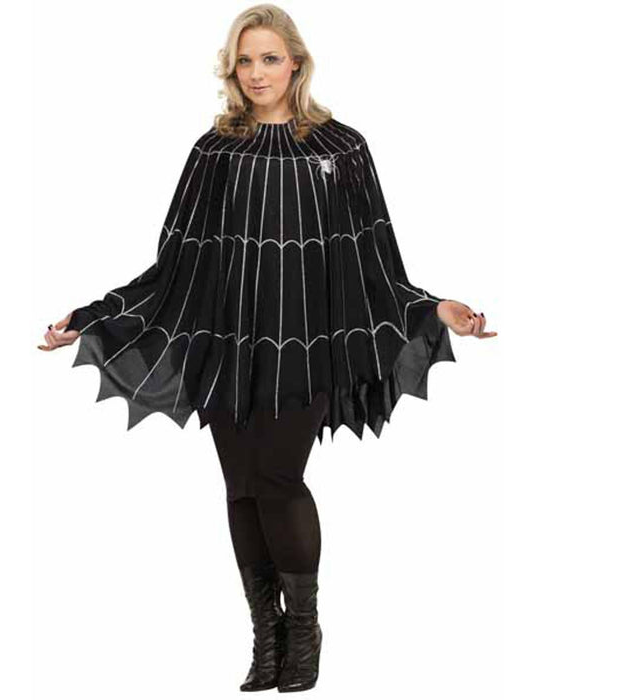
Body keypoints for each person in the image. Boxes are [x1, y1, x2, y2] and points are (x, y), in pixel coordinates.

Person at [38, 4, 497, 693]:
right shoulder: (214, 152)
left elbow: (374, 261)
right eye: (245, 61)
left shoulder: (342, 149)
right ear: (232, 70)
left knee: (278, 479)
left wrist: (436, 308)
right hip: (225, 344)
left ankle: (304, 633)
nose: (257, 73)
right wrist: (94, 315)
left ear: (296, 63)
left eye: (270, 59)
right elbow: (175, 263)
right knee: (242, 489)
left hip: (307, 344)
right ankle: (267, 637)